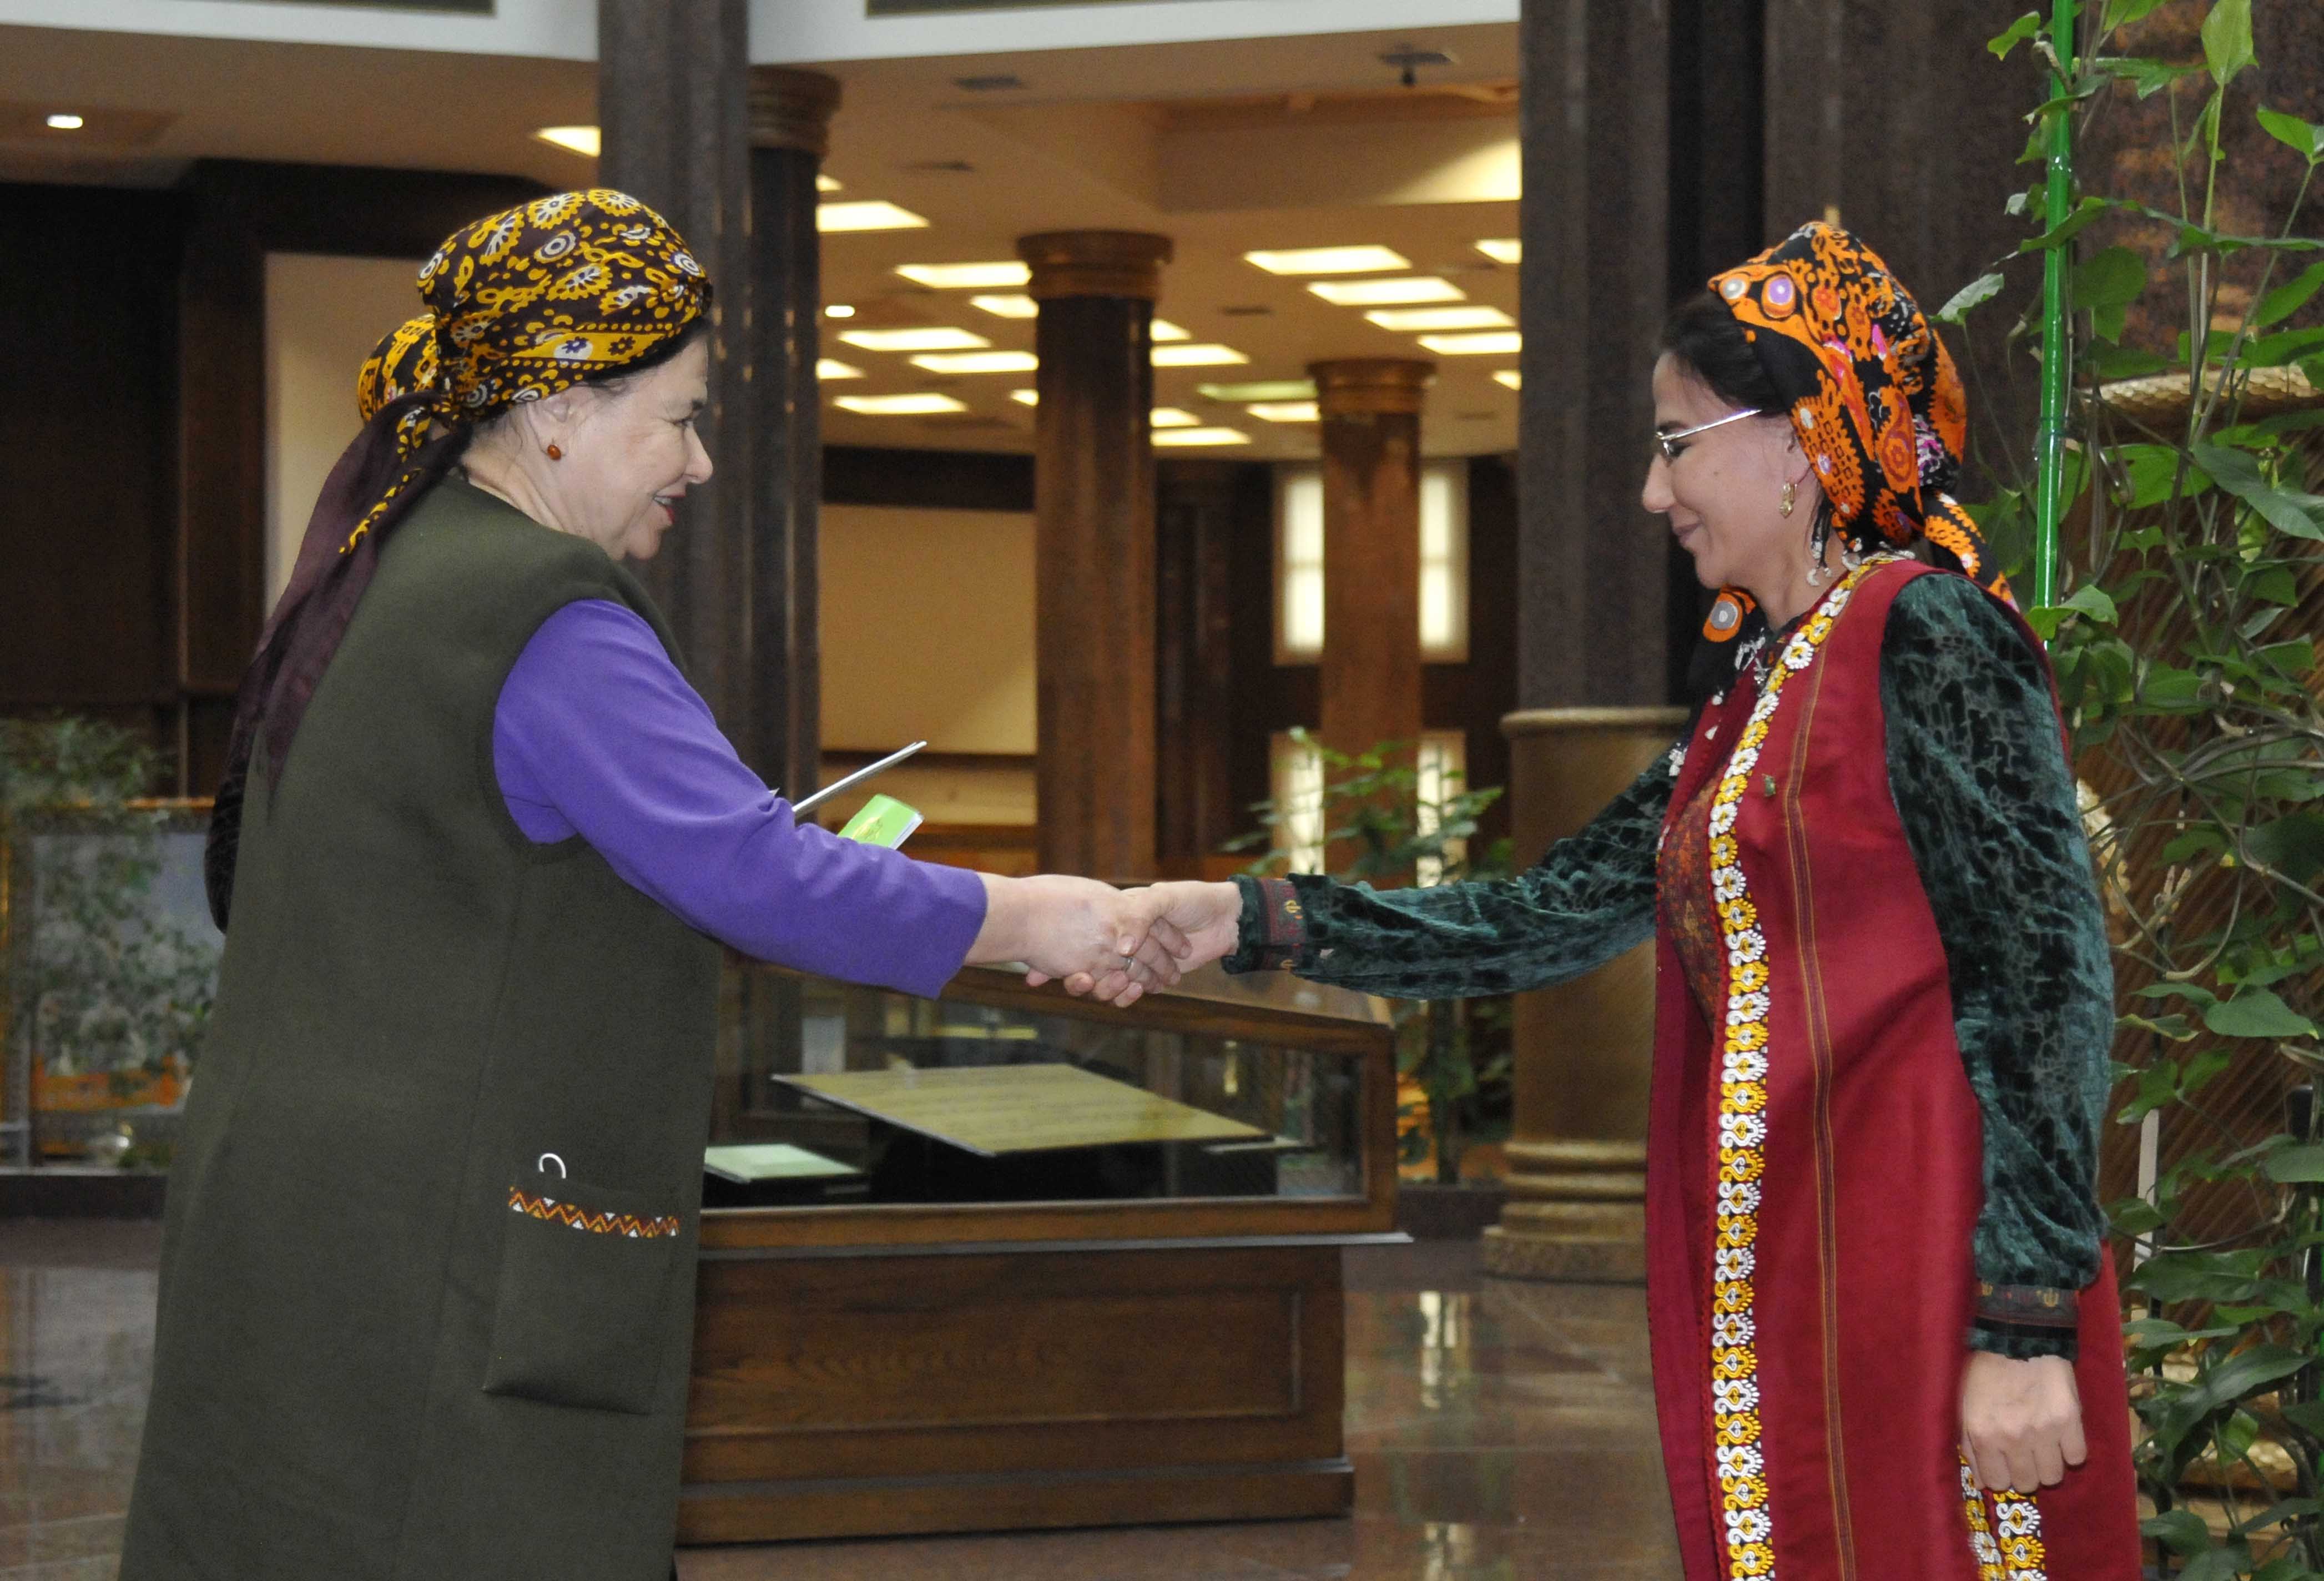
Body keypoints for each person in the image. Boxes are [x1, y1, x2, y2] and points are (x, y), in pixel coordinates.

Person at [122, 190, 1180, 1581]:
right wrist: (1043, 913)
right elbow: (754, 872)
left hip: (300, 1215)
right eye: (677, 417)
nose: (699, 460)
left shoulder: (384, 563)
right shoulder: (545, 606)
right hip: (446, 1243)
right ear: (561, 405)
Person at [1096, 224, 2143, 1580]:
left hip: (1932, 1257)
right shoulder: (1758, 686)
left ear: (1799, 437)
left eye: (1675, 443)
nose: (1656, 493)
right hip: (1807, 1254)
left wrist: (2026, 1316)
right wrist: (1254, 919)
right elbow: (1542, 914)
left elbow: (2047, 974)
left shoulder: (1927, 632)